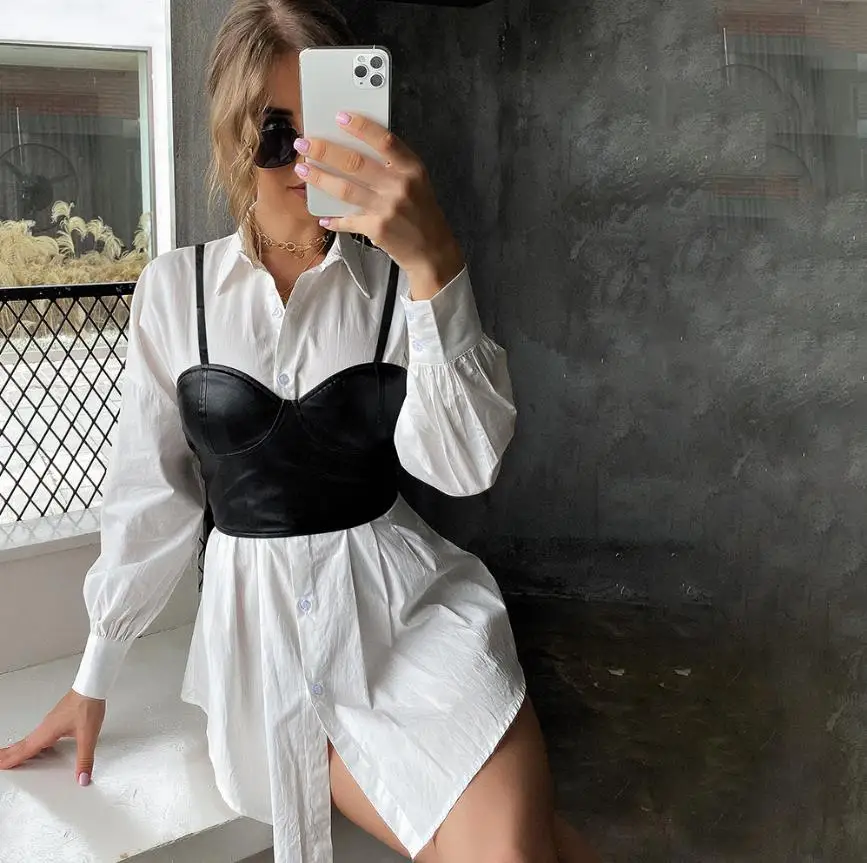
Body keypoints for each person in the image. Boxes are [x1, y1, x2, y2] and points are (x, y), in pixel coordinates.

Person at [0, 2, 601, 861]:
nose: (301, 160)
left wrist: (434, 263)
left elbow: (463, 466)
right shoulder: (176, 292)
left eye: (326, 132)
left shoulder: (399, 286)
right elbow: (151, 501)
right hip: (261, 651)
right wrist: (93, 677)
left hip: (411, 626)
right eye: (275, 134)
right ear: (231, 135)